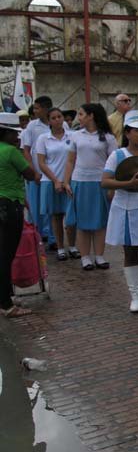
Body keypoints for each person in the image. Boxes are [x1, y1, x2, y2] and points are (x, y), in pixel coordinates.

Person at [101, 110, 138, 313]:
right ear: (127, 133)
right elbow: (105, 181)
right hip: (127, 209)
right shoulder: (117, 155)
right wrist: (127, 183)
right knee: (131, 252)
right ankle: (136, 296)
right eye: (137, 131)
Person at [63, 103, 117, 270]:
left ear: (91, 115)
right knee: (82, 222)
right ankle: (85, 257)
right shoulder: (76, 135)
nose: (78, 118)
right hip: (80, 181)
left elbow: (114, 162)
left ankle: (99, 256)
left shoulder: (108, 137)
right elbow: (70, 160)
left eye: (81, 114)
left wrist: (112, 186)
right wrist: (66, 181)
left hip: (100, 182)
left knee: (100, 221)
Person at [0, 113, 38, 318]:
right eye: (14, 134)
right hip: (9, 204)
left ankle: (4, 296)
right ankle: (6, 304)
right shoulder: (11, 152)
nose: (17, 137)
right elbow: (30, 174)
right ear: (5, 133)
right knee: (6, 255)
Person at [34, 107, 78, 261]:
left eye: (60, 116)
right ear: (49, 121)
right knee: (56, 216)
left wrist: (66, 180)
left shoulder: (72, 136)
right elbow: (41, 163)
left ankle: (72, 246)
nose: (58, 120)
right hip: (50, 181)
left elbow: (75, 159)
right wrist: (55, 181)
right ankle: (60, 248)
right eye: (53, 118)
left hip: (70, 180)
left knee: (71, 215)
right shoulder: (43, 138)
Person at [21, 95, 54, 247]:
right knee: (35, 207)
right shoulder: (32, 126)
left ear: (46, 108)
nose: (34, 111)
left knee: (52, 208)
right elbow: (26, 150)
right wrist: (34, 171)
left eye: (37, 108)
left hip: (54, 175)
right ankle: (36, 236)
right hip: (37, 174)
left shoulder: (58, 124)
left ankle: (52, 237)